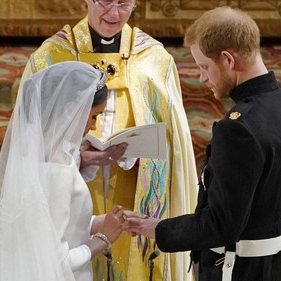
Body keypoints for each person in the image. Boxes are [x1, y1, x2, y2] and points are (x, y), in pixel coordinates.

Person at [126, 6, 281, 281]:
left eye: (204, 66)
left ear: (227, 59)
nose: (202, 77)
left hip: (242, 272)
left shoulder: (237, 129)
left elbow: (220, 225)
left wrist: (157, 229)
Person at [16, 0, 198, 280]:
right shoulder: (51, 57)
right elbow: (28, 139)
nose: (114, 14)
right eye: (105, 2)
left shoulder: (154, 58)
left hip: (133, 185)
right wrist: (75, 158)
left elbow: (174, 144)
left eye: (124, 3)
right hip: (70, 187)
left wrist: (140, 152)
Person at [0, 61, 130, 281]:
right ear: (73, 109)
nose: (93, 126)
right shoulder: (56, 165)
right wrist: (103, 238)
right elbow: (55, 262)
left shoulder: (37, 152)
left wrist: (104, 221)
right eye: (94, 116)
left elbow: (47, 225)